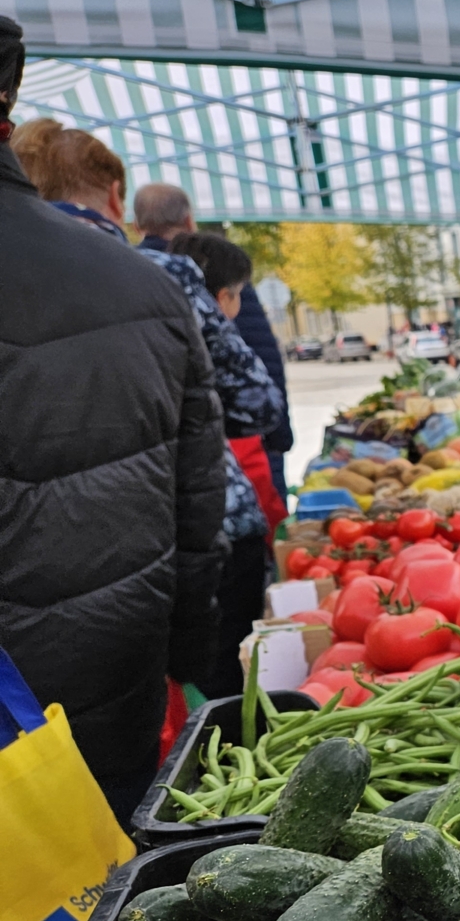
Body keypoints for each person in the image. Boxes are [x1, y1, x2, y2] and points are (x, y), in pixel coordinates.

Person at [0, 16, 228, 824]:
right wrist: (190, 657)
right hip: (113, 688)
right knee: (98, 917)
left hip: (30, 702)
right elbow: (202, 505)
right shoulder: (144, 284)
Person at [168, 232, 289, 698]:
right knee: (231, 666)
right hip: (216, 521)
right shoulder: (193, 314)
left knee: (196, 668)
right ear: (222, 296)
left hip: (149, 533)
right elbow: (261, 406)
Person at [134, 183, 293, 496]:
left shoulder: (126, 276)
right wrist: (278, 435)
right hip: (229, 448)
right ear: (189, 220)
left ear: (136, 225)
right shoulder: (222, 268)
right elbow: (261, 360)